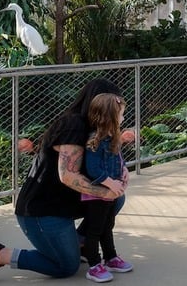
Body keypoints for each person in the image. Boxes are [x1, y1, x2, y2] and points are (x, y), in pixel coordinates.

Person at [0, 78, 127, 284]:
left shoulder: (100, 130)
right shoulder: (73, 126)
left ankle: (82, 243)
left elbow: (107, 158)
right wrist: (106, 191)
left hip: (67, 203)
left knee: (116, 200)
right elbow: (67, 175)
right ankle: (2, 254)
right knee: (66, 266)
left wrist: (122, 171)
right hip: (43, 209)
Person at [80, 93, 134, 282]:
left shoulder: (113, 137)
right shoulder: (95, 140)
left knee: (107, 226)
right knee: (94, 229)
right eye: (120, 114)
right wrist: (110, 183)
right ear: (109, 116)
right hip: (99, 194)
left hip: (111, 193)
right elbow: (93, 168)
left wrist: (124, 170)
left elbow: (116, 158)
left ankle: (110, 257)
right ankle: (93, 264)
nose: (123, 118)